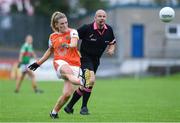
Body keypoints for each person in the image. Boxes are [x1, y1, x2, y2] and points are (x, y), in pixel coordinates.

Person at [28, 11, 91, 119]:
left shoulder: (73, 32)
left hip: (75, 64)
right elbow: (49, 51)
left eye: (66, 22)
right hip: (60, 63)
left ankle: (54, 112)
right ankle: (84, 80)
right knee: (69, 73)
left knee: (67, 94)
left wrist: (69, 44)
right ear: (56, 24)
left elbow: (74, 43)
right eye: (62, 24)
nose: (65, 25)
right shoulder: (52, 36)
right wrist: (38, 63)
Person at [64, 9, 116, 115]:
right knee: (91, 80)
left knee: (85, 85)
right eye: (99, 16)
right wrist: (70, 47)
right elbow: (73, 36)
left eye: (104, 16)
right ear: (95, 18)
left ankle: (69, 107)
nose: (102, 18)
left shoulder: (109, 30)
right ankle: (84, 108)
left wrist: (111, 49)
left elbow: (112, 42)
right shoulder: (86, 28)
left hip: (96, 60)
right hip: (84, 58)